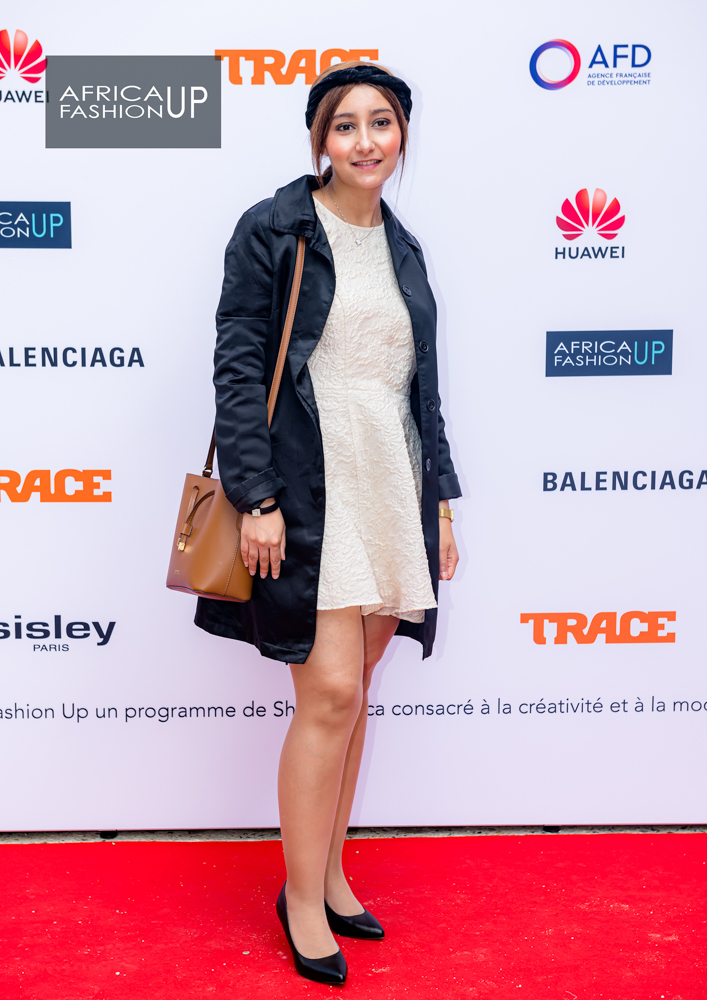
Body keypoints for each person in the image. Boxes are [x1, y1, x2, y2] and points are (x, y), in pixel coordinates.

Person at [195, 61, 461, 985]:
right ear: (320, 140)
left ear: (401, 134)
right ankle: (300, 900)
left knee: (359, 692)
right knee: (330, 694)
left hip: (390, 482)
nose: (364, 141)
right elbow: (239, 369)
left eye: (380, 122)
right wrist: (257, 497)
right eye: (344, 125)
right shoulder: (274, 228)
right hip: (307, 484)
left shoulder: (404, 245)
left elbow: (419, 388)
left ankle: (334, 874)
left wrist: (439, 504)